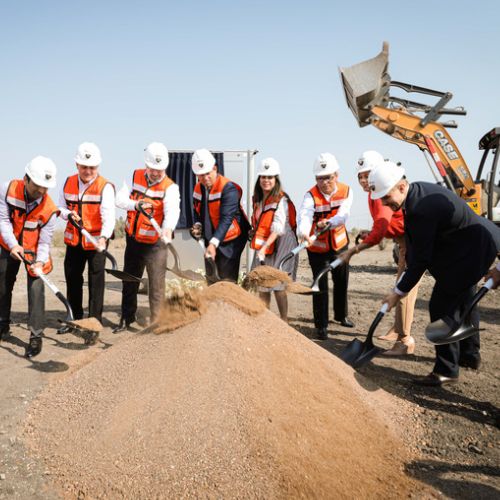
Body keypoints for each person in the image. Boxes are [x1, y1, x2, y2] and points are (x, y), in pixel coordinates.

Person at [369, 162, 500, 386]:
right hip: (475, 244)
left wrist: (397, 292)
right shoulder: (417, 193)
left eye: (386, 196)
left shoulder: (421, 208)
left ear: (401, 187)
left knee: (441, 306)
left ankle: (447, 370)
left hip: (474, 249)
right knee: (465, 299)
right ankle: (470, 356)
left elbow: (421, 260)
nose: (384, 202)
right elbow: (417, 248)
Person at [340, 151, 418, 355]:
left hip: (412, 242)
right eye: (360, 176)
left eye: (367, 175)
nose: (364, 180)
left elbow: (381, 230)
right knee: (400, 285)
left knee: (404, 290)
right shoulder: (374, 194)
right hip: (404, 242)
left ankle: (405, 341)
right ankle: (398, 329)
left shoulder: (380, 193)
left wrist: (353, 250)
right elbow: (384, 224)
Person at [113, 142, 180, 332]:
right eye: (153, 169)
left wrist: (167, 229)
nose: (156, 173)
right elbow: (120, 200)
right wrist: (136, 204)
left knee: (156, 285)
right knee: (129, 280)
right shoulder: (133, 176)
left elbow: (172, 212)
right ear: (146, 165)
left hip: (155, 245)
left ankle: (157, 323)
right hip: (133, 241)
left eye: (160, 170)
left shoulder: (170, 187)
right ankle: (126, 319)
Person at [0, 157, 59, 358]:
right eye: (38, 186)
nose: (42, 191)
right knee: (3, 283)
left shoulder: (50, 209)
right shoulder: (6, 189)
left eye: (46, 187)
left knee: (36, 288)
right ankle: (2, 324)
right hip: (9, 244)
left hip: (34, 250)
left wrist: (40, 262)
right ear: (26, 179)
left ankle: (36, 337)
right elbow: (3, 219)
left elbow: (44, 242)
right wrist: (13, 245)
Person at [57, 142, 115, 334]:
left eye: (92, 167)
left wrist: (104, 238)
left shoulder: (104, 187)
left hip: (96, 243)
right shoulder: (67, 182)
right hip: (74, 242)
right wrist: (68, 214)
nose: (88, 171)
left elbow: (109, 217)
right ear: (77, 166)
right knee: (73, 280)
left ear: (97, 166)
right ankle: (75, 319)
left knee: (96, 284)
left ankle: (94, 324)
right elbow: (60, 207)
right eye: (84, 167)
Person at [297, 152, 354, 340]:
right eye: (319, 178)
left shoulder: (346, 191)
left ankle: (341, 315)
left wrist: (329, 222)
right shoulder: (310, 195)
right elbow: (305, 215)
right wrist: (304, 232)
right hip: (317, 248)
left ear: (336, 175)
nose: (324, 182)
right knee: (319, 284)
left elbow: (343, 215)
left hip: (340, 244)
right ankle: (321, 325)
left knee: (341, 280)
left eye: (328, 177)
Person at [190, 149, 250, 284]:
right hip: (211, 236)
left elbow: (226, 219)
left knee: (226, 279)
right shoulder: (198, 188)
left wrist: (213, 243)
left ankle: (229, 303)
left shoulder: (228, 188)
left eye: (207, 173)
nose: (205, 178)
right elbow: (197, 210)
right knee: (212, 276)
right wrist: (198, 225)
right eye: (200, 175)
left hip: (231, 239)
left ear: (215, 169)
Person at [249, 157, 298, 321]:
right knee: (262, 283)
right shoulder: (257, 200)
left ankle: (284, 321)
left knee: (278, 284)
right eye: (263, 177)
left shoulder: (281, 199)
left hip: (282, 242)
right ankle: (266, 319)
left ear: (276, 179)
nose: (266, 180)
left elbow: (278, 228)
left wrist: (263, 248)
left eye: (270, 177)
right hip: (265, 242)